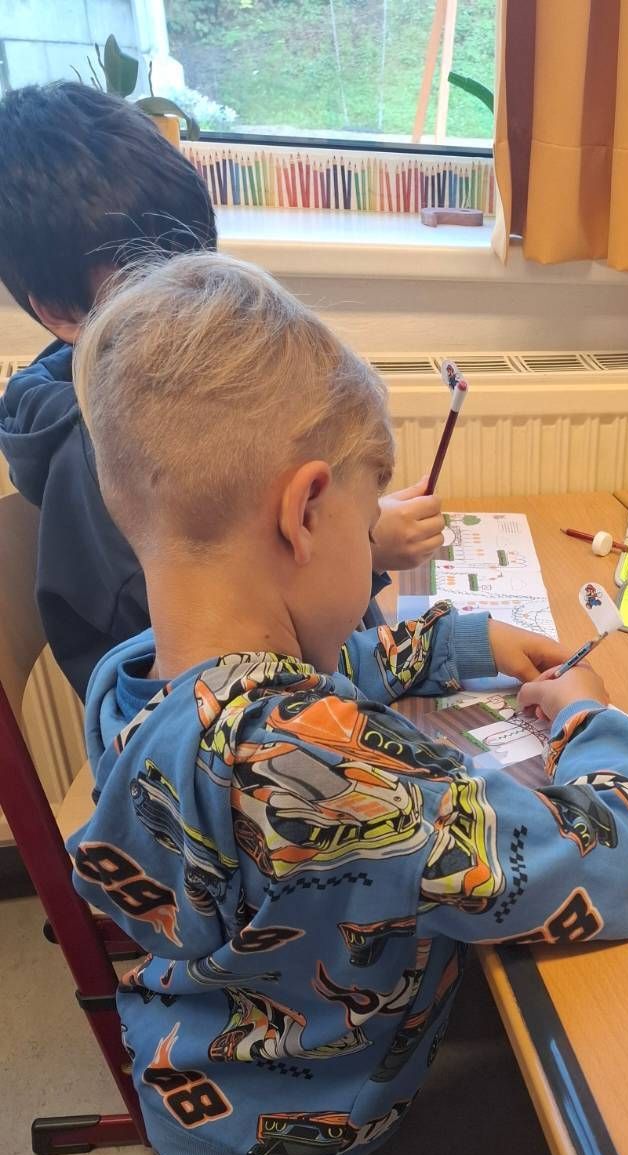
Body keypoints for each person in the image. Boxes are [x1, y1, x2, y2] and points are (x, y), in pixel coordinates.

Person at [0, 251, 628, 1155]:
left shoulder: (145, 671)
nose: (374, 563)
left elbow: (312, 666)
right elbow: (614, 856)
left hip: (198, 1091)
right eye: (370, 535)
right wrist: (598, 724)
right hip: (265, 1154)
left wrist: (463, 638)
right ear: (307, 509)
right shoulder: (317, 770)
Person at [0, 82, 442, 701]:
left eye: (199, 260)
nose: (198, 298)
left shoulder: (167, 392)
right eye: (152, 280)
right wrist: (361, 547)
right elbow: (269, 672)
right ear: (57, 309)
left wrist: (354, 528)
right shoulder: (113, 457)